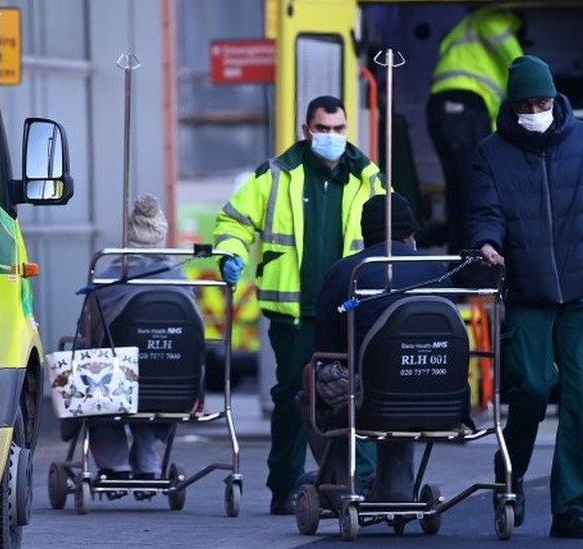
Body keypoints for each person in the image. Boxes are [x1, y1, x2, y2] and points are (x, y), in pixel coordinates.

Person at [467, 55, 583, 539]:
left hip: (582, 295)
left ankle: (568, 508)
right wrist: (486, 242)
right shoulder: (491, 152)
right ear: (513, 104)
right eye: (526, 103)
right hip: (529, 294)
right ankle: (511, 472)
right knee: (532, 388)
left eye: (542, 100)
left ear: (554, 99)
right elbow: (485, 211)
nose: (536, 109)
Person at [212, 96, 382, 514]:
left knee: (359, 395)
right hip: (294, 312)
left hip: (352, 309)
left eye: (339, 129)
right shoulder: (276, 175)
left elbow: (396, 228)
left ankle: (365, 483)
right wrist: (231, 253)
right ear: (306, 131)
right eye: (323, 129)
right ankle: (284, 487)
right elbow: (234, 221)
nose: (331, 137)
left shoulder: (367, 178)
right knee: (293, 396)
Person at [309, 193, 446, 501]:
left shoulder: (346, 271)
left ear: (365, 233)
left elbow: (326, 346)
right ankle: (394, 486)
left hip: (369, 395)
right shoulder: (437, 270)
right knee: (407, 368)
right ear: (410, 234)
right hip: (437, 393)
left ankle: (342, 483)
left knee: (312, 377)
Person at [74, 194, 196, 480]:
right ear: (162, 234)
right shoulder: (183, 283)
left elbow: (87, 332)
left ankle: (115, 461)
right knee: (152, 383)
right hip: (173, 387)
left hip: (115, 386)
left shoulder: (107, 279)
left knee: (86, 357)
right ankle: (149, 459)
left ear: (128, 235)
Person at [427, 7, 523, 254]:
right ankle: (475, 270)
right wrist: (534, 82)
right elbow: (520, 64)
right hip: (465, 104)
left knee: (459, 190)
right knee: (475, 190)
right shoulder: (493, 17)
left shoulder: (462, 30)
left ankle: (461, 266)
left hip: (442, 109)